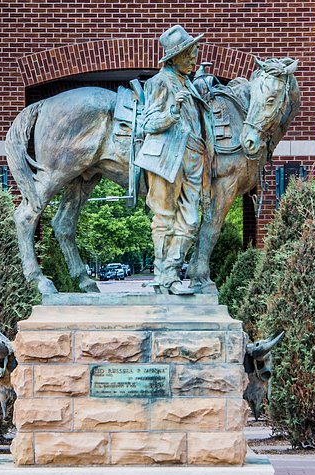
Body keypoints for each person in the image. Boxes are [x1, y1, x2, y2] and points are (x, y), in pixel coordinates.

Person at [134, 25, 211, 295]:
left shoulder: (188, 81)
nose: (194, 58)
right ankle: (165, 278)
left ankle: (173, 268)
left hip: (193, 156)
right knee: (164, 218)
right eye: (189, 54)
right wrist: (171, 111)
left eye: (195, 52)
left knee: (190, 221)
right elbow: (147, 124)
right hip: (167, 158)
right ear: (174, 56)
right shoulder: (158, 82)